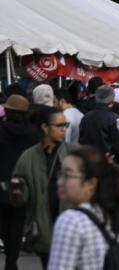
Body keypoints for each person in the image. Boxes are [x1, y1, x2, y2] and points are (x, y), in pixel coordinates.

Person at [46, 145, 119, 270]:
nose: (60, 181)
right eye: (60, 174)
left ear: (91, 183)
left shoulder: (72, 221)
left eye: (67, 175)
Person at [10, 107, 72, 264]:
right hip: (44, 230)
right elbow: (19, 198)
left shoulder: (73, 152)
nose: (64, 130)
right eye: (60, 126)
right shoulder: (28, 157)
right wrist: (18, 189)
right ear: (45, 127)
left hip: (71, 229)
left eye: (66, 125)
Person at [0, 96, 38, 270]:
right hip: (23, 183)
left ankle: (9, 255)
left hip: (2, 183)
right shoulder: (34, 133)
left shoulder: (1, 130)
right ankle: (11, 262)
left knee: (3, 224)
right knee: (17, 223)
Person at [78, 84, 119, 160]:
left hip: (88, 160)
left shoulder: (86, 117)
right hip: (107, 160)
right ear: (112, 100)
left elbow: (81, 139)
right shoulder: (114, 118)